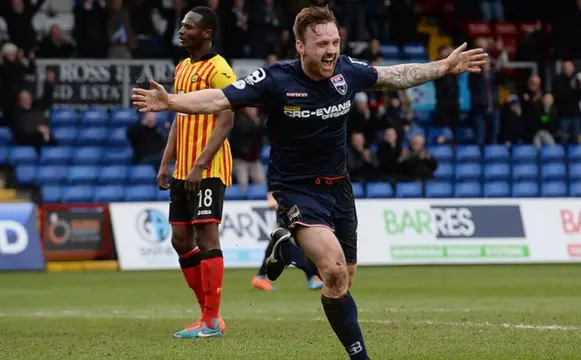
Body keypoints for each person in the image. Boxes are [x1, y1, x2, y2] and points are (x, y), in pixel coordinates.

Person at [133, 6, 487, 358]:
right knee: (332, 272)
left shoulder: (347, 72)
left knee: (344, 277)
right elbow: (218, 98)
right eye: (321, 44)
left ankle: (285, 248)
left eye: (335, 41)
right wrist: (171, 101)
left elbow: (395, 75)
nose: (331, 50)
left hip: (338, 187)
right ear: (301, 46)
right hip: (296, 188)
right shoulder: (275, 80)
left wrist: (443, 68)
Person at [155, 6, 236, 339]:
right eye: (182, 25)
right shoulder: (182, 68)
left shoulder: (220, 69)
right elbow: (179, 117)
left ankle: (211, 320)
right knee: (179, 239)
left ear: (206, 33)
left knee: (206, 236)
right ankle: (207, 313)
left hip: (209, 166)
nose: (181, 30)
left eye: (188, 26)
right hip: (182, 168)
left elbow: (227, 118)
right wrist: (166, 161)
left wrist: (201, 163)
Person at [251, 190, 324, 292]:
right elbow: (271, 203)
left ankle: (260, 277)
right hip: (286, 217)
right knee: (285, 243)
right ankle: (313, 276)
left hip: (295, 216)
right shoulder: (278, 178)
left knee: (288, 243)